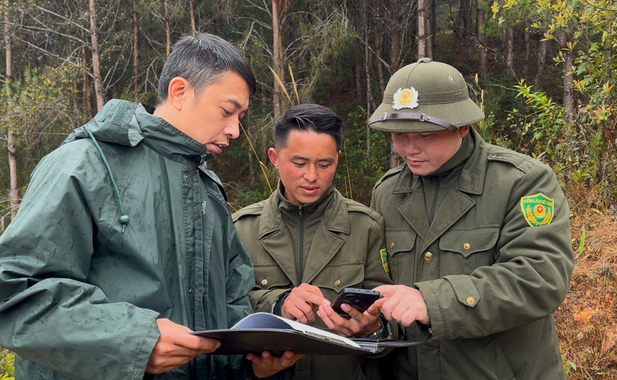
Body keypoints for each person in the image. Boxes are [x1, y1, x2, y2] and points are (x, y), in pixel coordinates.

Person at [0, 33, 301, 380]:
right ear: (179, 92)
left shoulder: (209, 190)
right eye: (227, 111)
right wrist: (135, 342)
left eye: (241, 116)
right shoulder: (83, 164)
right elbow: (17, 292)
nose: (235, 130)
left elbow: (232, 305)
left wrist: (253, 365)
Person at [368, 58, 574, 380]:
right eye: (399, 134)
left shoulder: (521, 182)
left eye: (425, 134)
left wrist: (433, 301)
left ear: (462, 126)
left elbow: (540, 278)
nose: (409, 148)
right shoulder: (387, 193)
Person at [232, 104, 393, 380]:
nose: (311, 176)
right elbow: (226, 306)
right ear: (274, 158)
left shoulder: (366, 226)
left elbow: (392, 322)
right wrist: (277, 303)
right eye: (299, 163)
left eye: (324, 164)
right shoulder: (241, 228)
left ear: (338, 160)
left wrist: (374, 328)